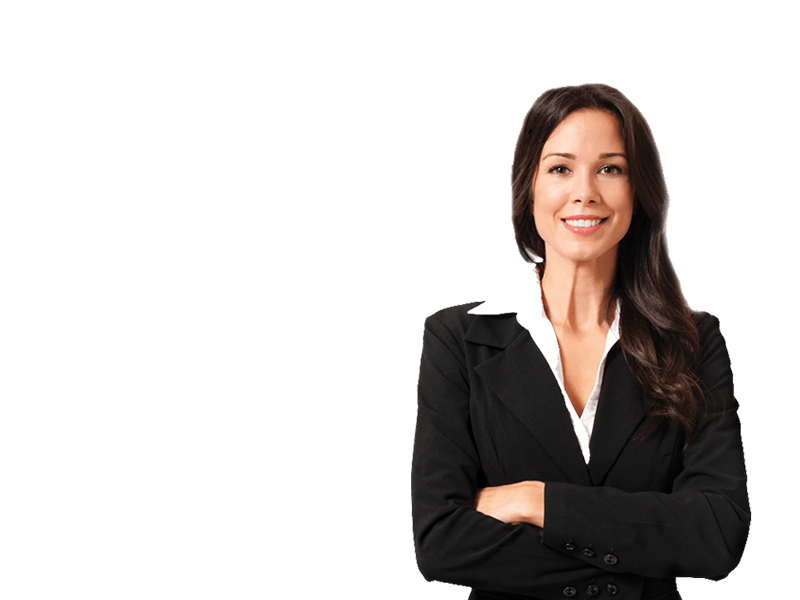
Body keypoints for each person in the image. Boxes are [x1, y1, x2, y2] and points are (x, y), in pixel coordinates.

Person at [411, 84, 749, 600]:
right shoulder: (458, 339)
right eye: (560, 169)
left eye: (610, 168)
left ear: (639, 190)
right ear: (528, 187)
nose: (585, 192)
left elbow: (717, 532)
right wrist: (637, 559)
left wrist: (536, 501)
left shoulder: (692, 342)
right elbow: (441, 541)